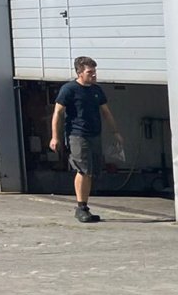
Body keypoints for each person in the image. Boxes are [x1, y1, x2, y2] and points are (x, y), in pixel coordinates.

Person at [50, 56, 124, 224]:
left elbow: (106, 112)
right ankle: (81, 207)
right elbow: (58, 114)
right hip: (77, 135)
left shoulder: (96, 90)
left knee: (91, 171)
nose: (94, 75)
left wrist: (115, 132)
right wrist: (55, 137)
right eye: (90, 72)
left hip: (94, 134)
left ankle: (85, 207)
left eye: (95, 71)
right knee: (83, 170)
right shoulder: (69, 89)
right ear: (79, 73)